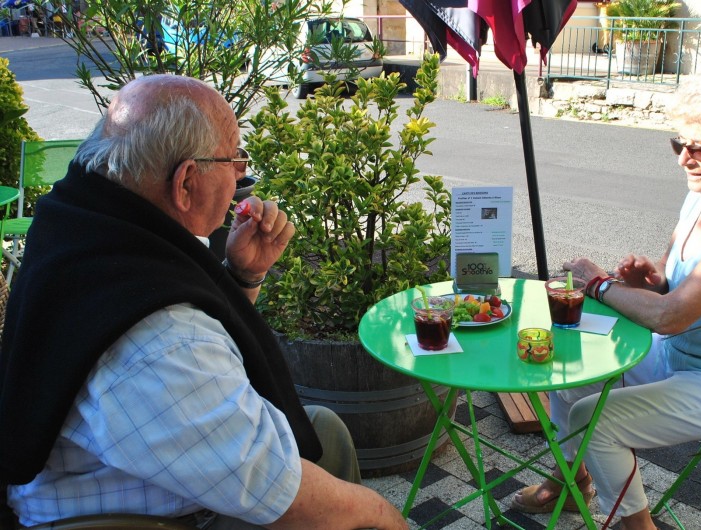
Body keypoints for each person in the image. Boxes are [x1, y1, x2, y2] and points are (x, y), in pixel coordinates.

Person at [0, 74, 408, 530]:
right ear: (186, 183)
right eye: (233, 158)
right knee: (350, 501)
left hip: (121, 465)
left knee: (323, 429)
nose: (242, 174)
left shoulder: (87, 221)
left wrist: (242, 275)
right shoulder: (161, 338)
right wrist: (382, 513)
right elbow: (276, 489)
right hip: (126, 517)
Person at [510, 66, 701, 530]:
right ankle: (572, 483)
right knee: (572, 370)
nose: (683, 159)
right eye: (678, 143)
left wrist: (600, 284)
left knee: (596, 419)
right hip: (682, 356)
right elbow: (672, 284)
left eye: (700, 148)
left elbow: (672, 316)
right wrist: (650, 281)